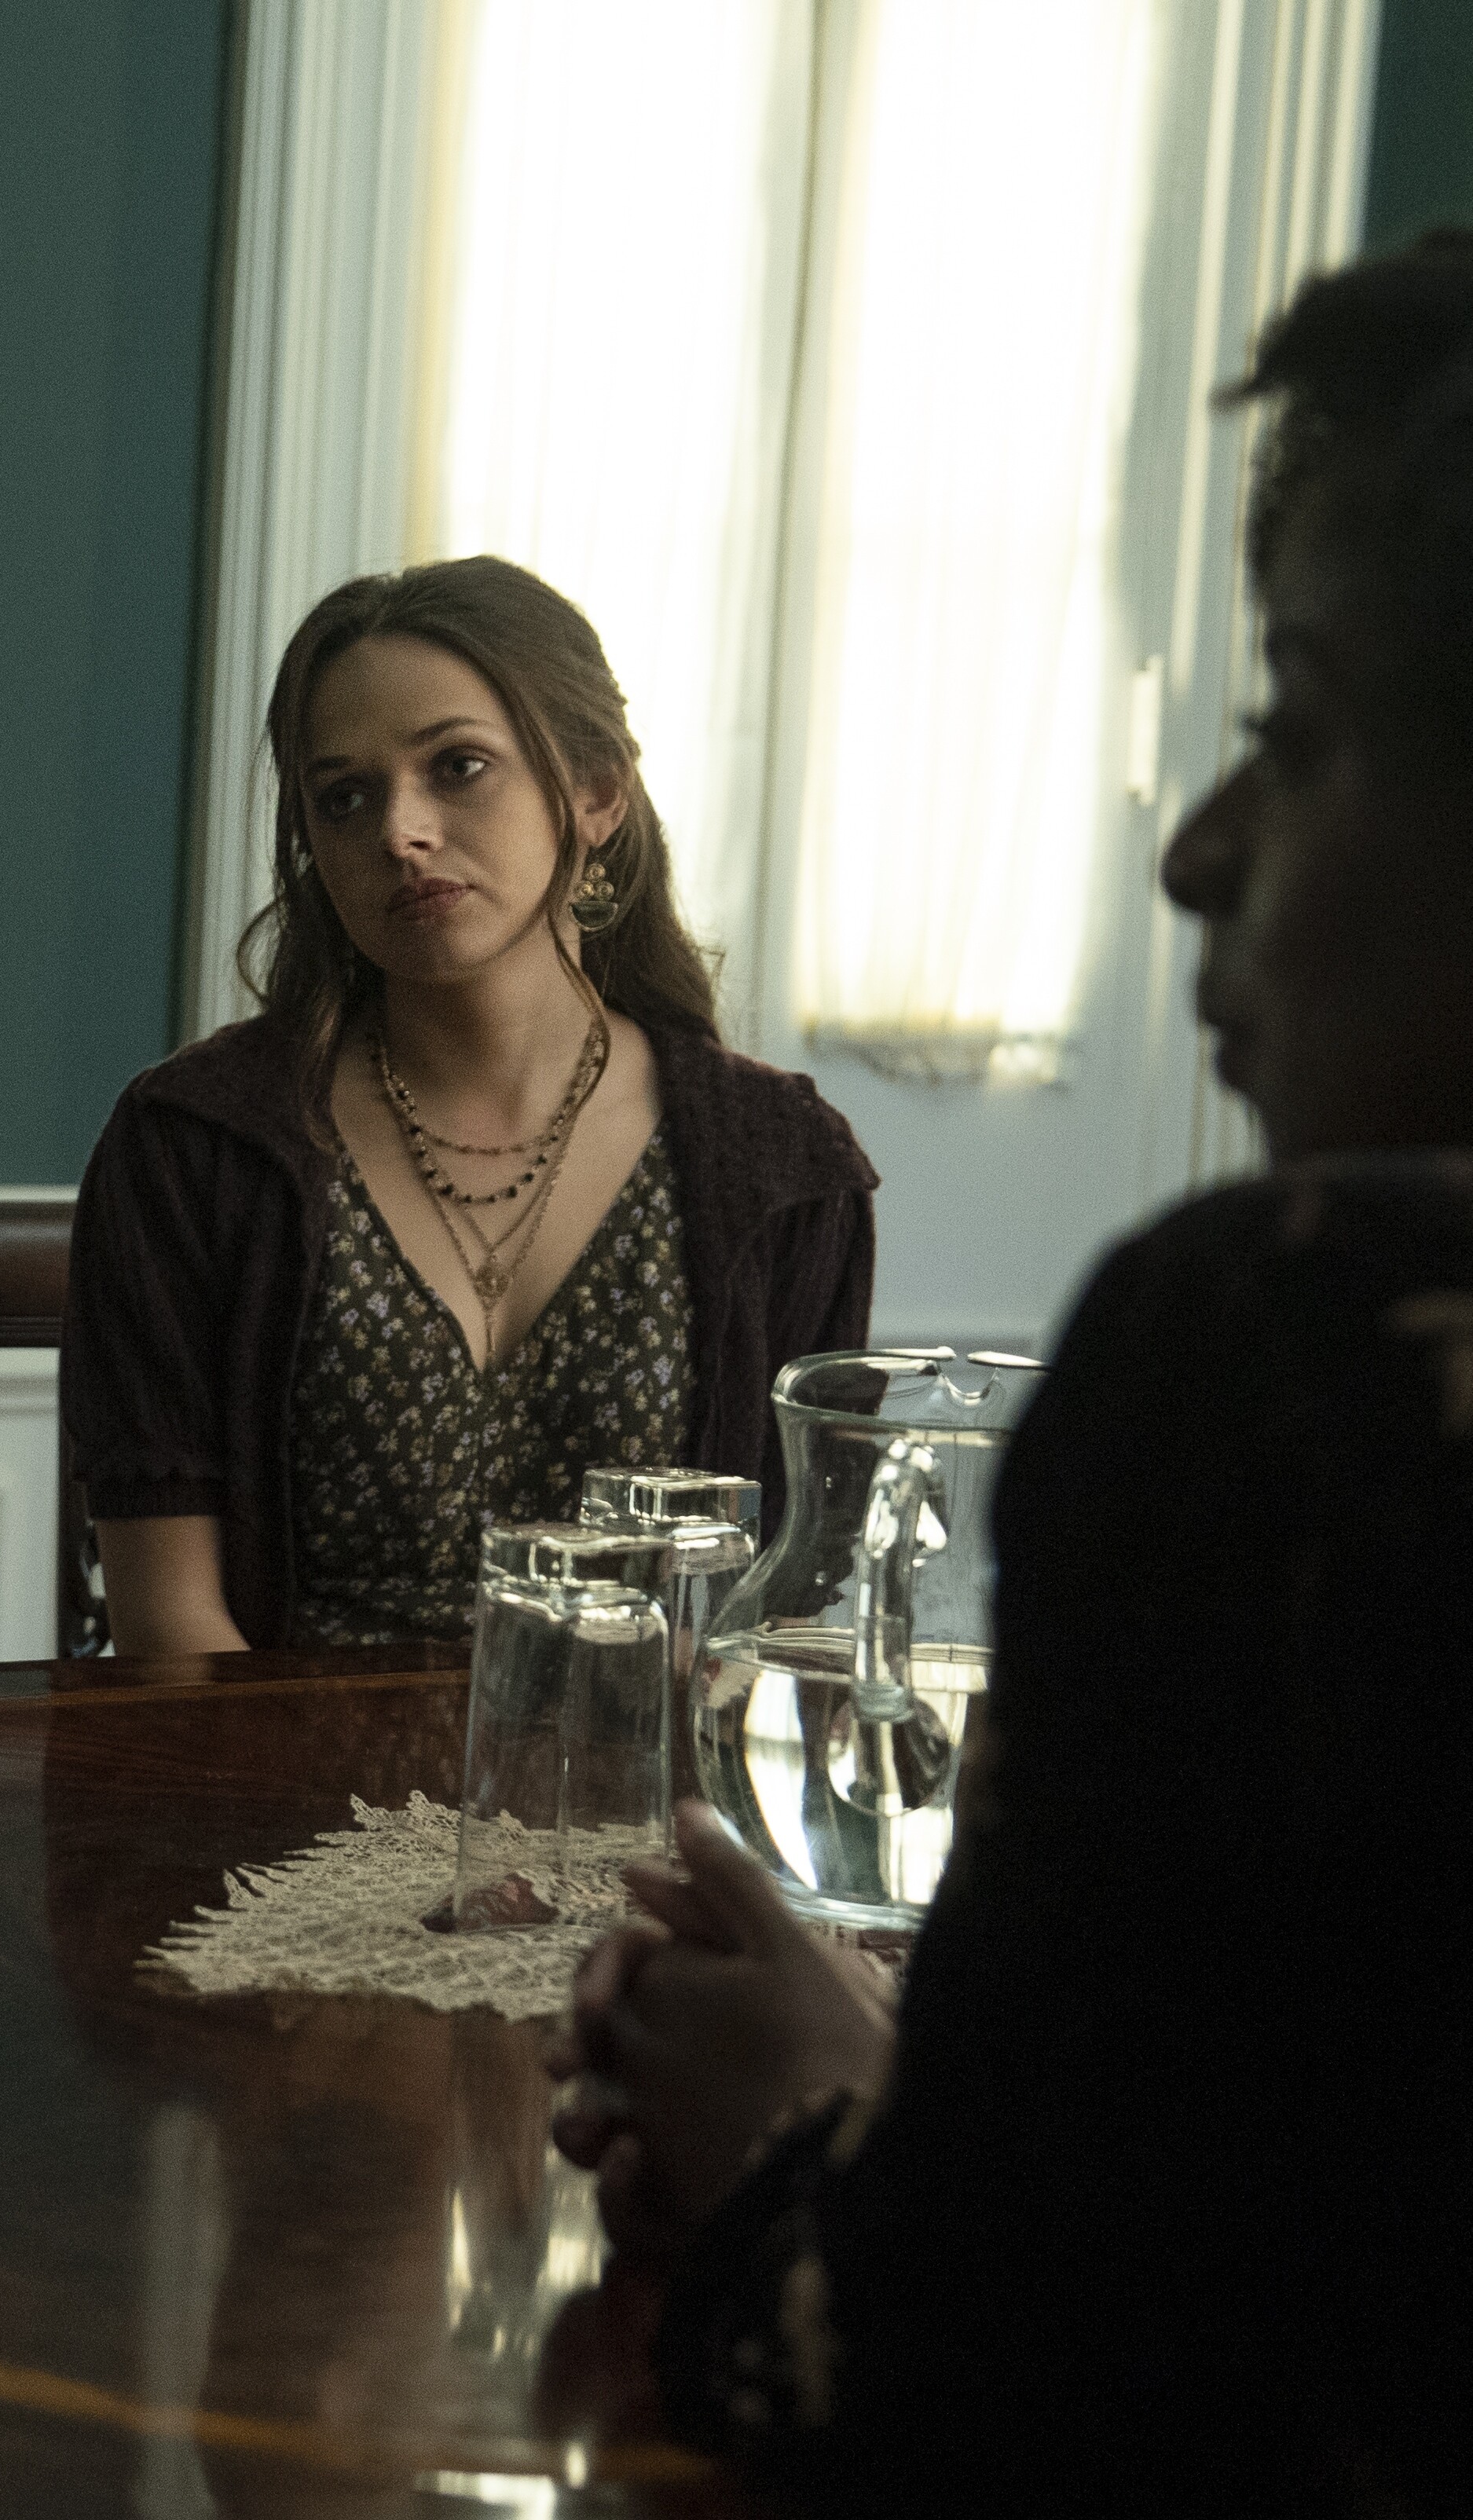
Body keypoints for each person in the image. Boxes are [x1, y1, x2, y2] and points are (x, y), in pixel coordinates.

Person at [548, 233, 1473, 2515]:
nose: (1194, 849)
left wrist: (791, 2128)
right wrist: (940, 2085)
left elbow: (987, 2393)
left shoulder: (1283, 1356)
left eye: (1298, 731)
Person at [64, 558, 875, 1653]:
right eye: (344, 797)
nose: (400, 831)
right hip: (268, 1757)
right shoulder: (192, 1148)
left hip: (643, 1763)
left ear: (596, 792)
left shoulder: (785, 1169)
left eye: (459, 767)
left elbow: (777, 1615)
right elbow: (172, 1630)